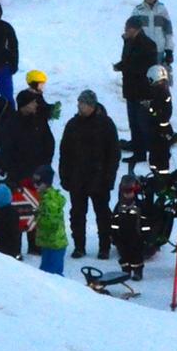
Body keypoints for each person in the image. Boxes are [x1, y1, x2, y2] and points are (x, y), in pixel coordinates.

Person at [60, 90, 120, 260]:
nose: (80, 106)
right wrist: (65, 176)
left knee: (102, 214)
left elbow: (114, 154)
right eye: (79, 103)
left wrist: (109, 178)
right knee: (77, 214)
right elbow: (65, 152)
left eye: (83, 103)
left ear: (92, 105)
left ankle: (104, 247)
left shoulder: (106, 124)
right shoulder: (72, 125)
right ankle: (79, 246)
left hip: (99, 179)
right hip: (77, 179)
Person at [116, 17, 161, 153]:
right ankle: (136, 144)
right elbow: (127, 60)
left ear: (134, 29)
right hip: (131, 88)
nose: (125, 31)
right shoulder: (129, 41)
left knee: (141, 121)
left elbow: (143, 67)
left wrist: (124, 67)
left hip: (142, 90)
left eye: (127, 28)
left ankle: (142, 148)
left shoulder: (148, 45)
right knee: (133, 121)